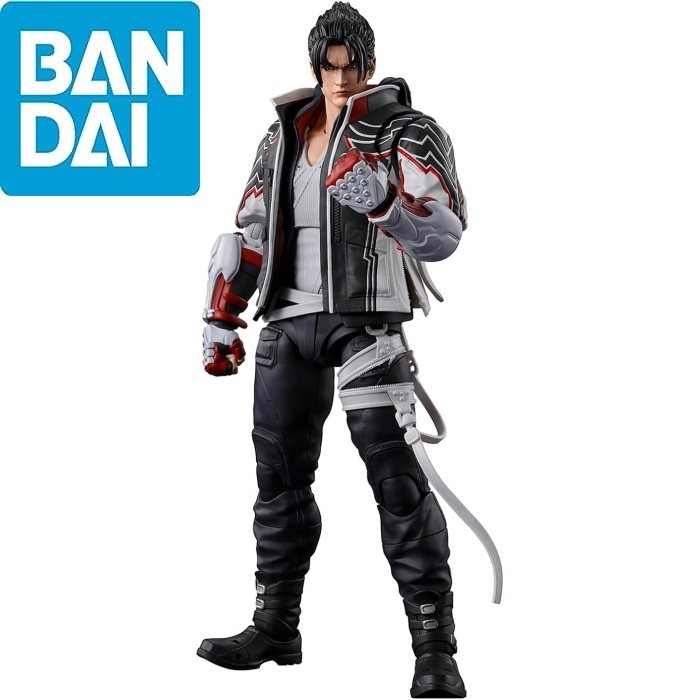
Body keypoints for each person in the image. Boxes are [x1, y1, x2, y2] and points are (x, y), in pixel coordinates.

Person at [197, 3, 480, 696]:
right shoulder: (283, 136)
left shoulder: (406, 129)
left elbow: (446, 232)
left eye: (353, 67)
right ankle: (275, 626)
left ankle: (434, 650)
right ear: (315, 67)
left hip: (366, 323)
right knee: (277, 482)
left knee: (398, 484)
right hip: (287, 322)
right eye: (330, 68)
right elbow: (252, 232)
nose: (342, 80)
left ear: (371, 65)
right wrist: (221, 315)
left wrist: (383, 200)